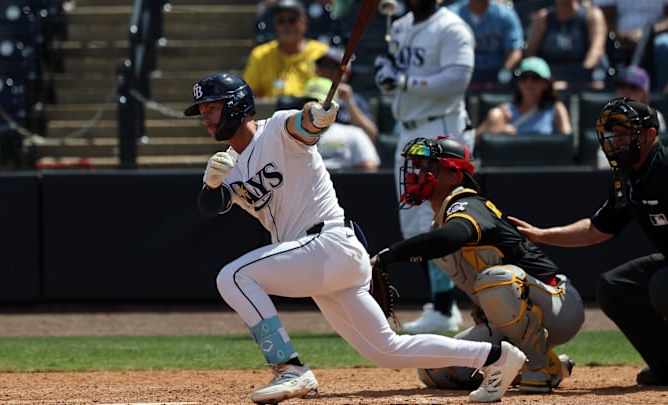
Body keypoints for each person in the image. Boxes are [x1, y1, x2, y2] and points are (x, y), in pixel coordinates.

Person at [187, 72, 527, 404]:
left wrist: (317, 116)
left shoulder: (276, 128)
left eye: (211, 108)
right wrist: (212, 183)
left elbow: (304, 123)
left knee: (233, 276)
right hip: (319, 262)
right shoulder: (226, 165)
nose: (205, 118)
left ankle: (289, 367)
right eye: (202, 112)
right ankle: (497, 357)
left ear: (236, 106)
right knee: (388, 351)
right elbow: (208, 207)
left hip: (328, 243)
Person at [372, 136, 584, 393]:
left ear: (454, 175)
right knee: (435, 371)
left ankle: (539, 367)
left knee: (496, 281)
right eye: (418, 165)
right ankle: (543, 364)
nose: (419, 173)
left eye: (429, 166)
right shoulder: (440, 220)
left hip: (558, 305)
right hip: (516, 310)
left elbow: (451, 238)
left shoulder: (469, 203)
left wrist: (388, 255)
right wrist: (487, 307)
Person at [509, 97, 668, 387]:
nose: (617, 140)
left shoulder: (665, 167)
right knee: (615, 287)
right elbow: (596, 230)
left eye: (625, 132)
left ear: (650, 135)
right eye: (613, 133)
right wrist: (541, 234)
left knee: (663, 285)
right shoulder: (628, 177)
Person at [373, 0, 476, 334]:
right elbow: (396, 70)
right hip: (409, 128)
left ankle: (445, 307)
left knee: (438, 217)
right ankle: (442, 303)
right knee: (412, 220)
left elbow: (456, 81)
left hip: (441, 129)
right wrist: (385, 75)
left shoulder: (452, 28)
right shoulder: (400, 25)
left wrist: (403, 81)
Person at [276, 77, 381, 171]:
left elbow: (369, 167)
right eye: (309, 101)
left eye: (320, 102)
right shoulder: (289, 136)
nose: (314, 107)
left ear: (334, 105)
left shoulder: (354, 134)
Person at [243, 0, 329, 97]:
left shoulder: (322, 52)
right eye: (281, 21)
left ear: (304, 23)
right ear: (275, 26)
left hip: (310, 110)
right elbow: (252, 92)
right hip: (273, 110)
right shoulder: (260, 54)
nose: (286, 26)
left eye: (292, 20)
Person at [475, 56, 572, 138]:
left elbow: (567, 142)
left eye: (535, 78)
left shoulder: (556, 109)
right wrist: (499, 132)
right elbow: (474, 139)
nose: (528, 83)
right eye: (524, 77)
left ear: (546, 83)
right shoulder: (504, 110)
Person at [524, 0, 608, 90]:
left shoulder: (592, 15)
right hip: (550, 82)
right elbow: (530, 54)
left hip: (586, 82)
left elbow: (596, 52)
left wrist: (572, 82)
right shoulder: (542, 18)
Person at [597, 66, 666, 169]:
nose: (626, 92)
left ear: (645, 93)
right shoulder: (609, 117)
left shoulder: (655, 117)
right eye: (622, 87)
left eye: (633, 87)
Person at [447, 0, 525, 90]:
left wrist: (505, 71)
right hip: (462, 72)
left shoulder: (505, 15)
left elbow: (515, 51)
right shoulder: (453, 14)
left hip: (495, 73)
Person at [594, 0, 668, 91]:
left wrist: (647, 34)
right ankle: (608, 96)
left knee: (664, 46)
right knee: (601, 47)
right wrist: (621, 36)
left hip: (657, 36)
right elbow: (604, 17)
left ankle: (660, 97)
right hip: (617, 37)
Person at [315, 47, 379, 141]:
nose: (327, 71)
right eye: (323, 65)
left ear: (347, 73)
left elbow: (371, 135)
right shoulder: (308, 95)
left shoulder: (355, 100)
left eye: (334, 66)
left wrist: (349, 102)